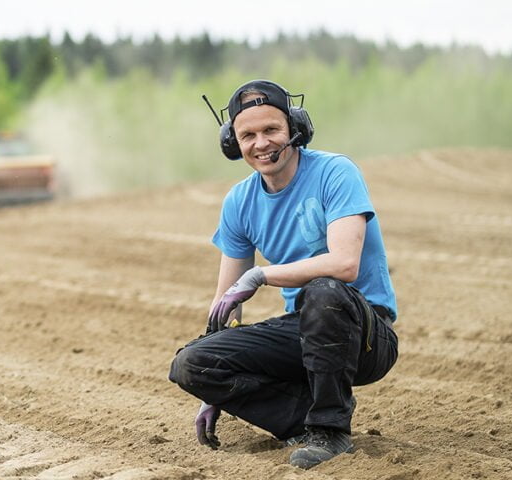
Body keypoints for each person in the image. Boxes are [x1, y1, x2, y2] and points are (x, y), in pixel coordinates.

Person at [168, 80, 399, 470]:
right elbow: (226, 304)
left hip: (365, 334)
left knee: (323, 291)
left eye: (271, 130)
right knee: (190, 362)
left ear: (295, 129)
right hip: (306, 333)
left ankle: (331, 431)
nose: (262, 144)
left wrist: (261, 275)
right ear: (232, 143)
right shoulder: (239, 201)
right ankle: (303, 418)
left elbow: (345, 264)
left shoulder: (335, 172)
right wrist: (213, 390)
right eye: (248, 135)